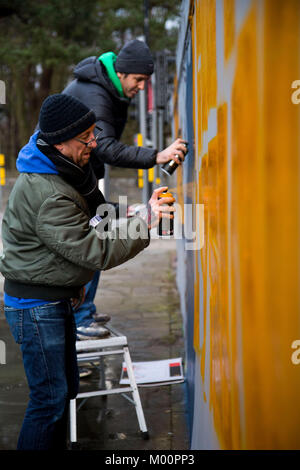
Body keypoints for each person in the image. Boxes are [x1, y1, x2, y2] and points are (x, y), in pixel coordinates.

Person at [0, 93, 175, 450]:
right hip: (37, 308)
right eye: (87, 138)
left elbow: (94, 215)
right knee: (48, 401)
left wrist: (139, 211)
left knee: (65, 391)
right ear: (61, 141)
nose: (95, 143)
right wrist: (146, 223)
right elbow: (94, 249)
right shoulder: (50, 191)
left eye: (94, 133)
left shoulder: (58, 166)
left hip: (52, 298)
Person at [62, 39, 187, 339]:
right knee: (89, 243)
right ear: (122, 73)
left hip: (83, 177)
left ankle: (84, 310)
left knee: (99, 232)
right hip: (68, 180)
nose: (143, 87)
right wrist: (156, 155)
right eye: (140, 80)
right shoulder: (96, 93)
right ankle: (78, 317)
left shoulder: (106, 88)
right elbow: (103, 147)